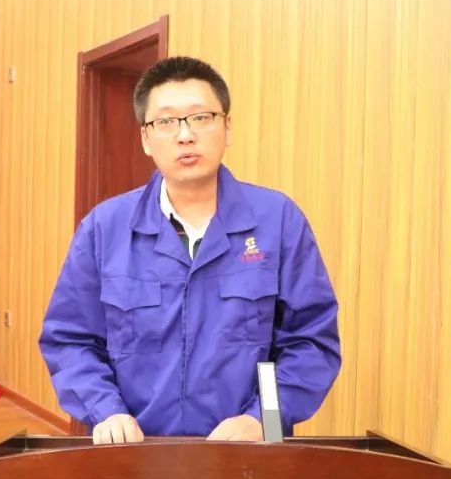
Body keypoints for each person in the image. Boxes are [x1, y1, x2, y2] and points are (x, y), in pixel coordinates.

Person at [40, 56, 341, 444]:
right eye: (166, 121)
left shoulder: (278, 220)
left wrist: (264, 419)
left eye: (201, 117)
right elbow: (71, 340)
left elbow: (309, 342)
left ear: (227, 127)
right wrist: (106, 411)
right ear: (146, 138)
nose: (185, 135)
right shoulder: (105, 227)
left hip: (247, 452)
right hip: (134, 451)